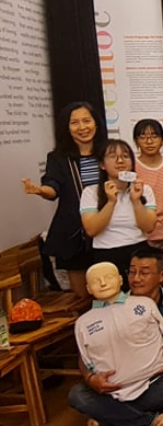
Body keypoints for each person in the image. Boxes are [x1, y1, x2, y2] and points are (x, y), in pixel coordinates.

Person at [68, 262, 163, 426]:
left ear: (120, 280)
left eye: (108, 277)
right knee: (77, 395)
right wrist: (91, 379)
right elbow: (85, 359)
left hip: (151, 384)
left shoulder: (144, 304)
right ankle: (149, 420)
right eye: (96, 281)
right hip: (110, 393)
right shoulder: (83, 322)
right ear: (88, 289)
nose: (103, 283)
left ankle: (109, 418)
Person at [22, 100, 107, 294]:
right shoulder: (58, 158)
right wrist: (40, 190)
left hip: (109, 230)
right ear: (66, 128)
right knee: (82, 297)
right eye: (74, 122)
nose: (82, 127)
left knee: (112, 290)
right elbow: (53, 187)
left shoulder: (109, 151)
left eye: (87, 120)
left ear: (96, 123)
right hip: (75, 235)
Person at [80, 139, 157, 285]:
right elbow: (91, 229)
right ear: (102, 164)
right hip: (105, 253)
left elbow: (149, 227)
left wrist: (136, 201)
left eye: (125, 156)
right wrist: (111, 202)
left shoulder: (144, 190)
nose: (120, 161)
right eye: (112, 156)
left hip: (138, 250)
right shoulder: (91, 192)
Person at [132, 119, 163, 248]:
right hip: (142, 236)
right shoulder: (132, 168)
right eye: (143, 137)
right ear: (136, 141)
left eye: (154, 136)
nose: (149, 141)